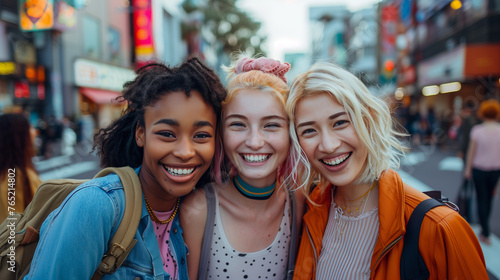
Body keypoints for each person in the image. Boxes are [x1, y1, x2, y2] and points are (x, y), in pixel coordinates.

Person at [24, 58, 227, 279]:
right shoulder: (97, 205)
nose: (185, 152)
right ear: (141, 133)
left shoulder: (193, 211)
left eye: (201, 136)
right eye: (167, 134)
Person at [285, 62, 488, 279]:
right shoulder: (308, 210)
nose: (328, 145)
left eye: (340, 122)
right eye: (309, 130)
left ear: (369, 120)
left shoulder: (441, 228)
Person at [180, 54, 305, 280]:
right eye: (238, 124)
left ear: (290, 133)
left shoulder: (299, 202)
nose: (255, 142)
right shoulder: (198, 210)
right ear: (221, 133)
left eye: (271, 125)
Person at [464, 99, 500, 246]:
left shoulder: (477, 130)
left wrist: (467, 169)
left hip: (479, 169)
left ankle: (484, 231)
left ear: (482, 113)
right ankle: (485, 229)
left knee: (480, 198)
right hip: (495, 170)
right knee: (490, 198)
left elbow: (471, 152)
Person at [0, 113, 42, 221]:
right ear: (18, 136)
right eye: (30, 127)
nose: (35, 132)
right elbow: (14, 230)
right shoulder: (18, 178)